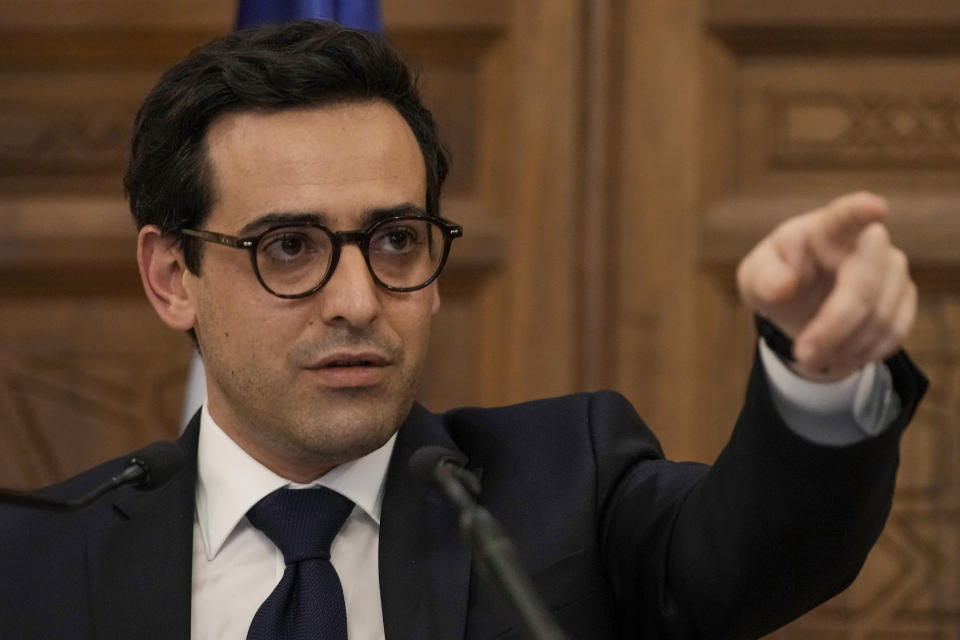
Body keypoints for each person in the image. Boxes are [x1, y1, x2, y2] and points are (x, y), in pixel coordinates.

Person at [0, 19, 926, 640]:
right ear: (173, 279)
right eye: (289, 248)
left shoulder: (566, 488)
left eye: (397, 240)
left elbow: (750, 560)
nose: (359, 299)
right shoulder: (36, 560)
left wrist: (823, 372)